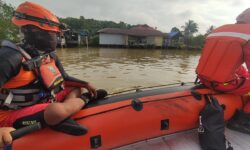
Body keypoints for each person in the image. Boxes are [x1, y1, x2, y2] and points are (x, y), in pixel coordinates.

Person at [0, 1, 107, 136]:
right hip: (10, 115)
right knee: (55, 112)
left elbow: (65, 79)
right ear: (35, 32)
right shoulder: (8, 58)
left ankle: (61, 115)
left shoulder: (50, 55)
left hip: (44, 102)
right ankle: (82, 101)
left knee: (75, 88)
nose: (58, 38)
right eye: (54, 34)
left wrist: (86, 84)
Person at [196, 8, 250, 134]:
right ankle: (242, 121)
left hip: (202, 78)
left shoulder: (219, 29)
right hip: (222, 83)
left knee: (242, 70)